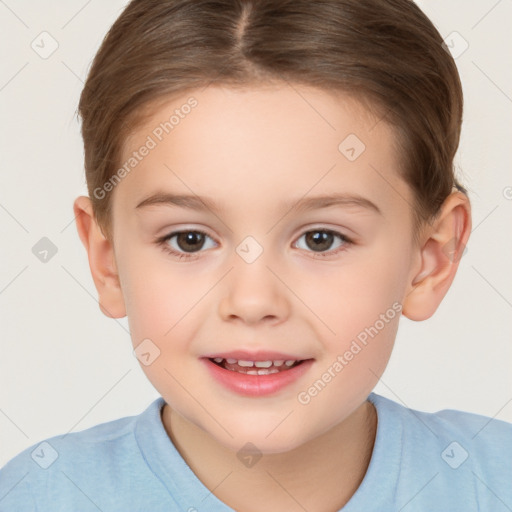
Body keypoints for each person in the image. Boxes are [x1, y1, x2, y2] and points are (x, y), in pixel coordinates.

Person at [1, 0, 511, 510]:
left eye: (320, 239)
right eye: (189, 239)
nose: (252, 301)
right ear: (106, 260)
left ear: (430, 258)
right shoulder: (37, 496)